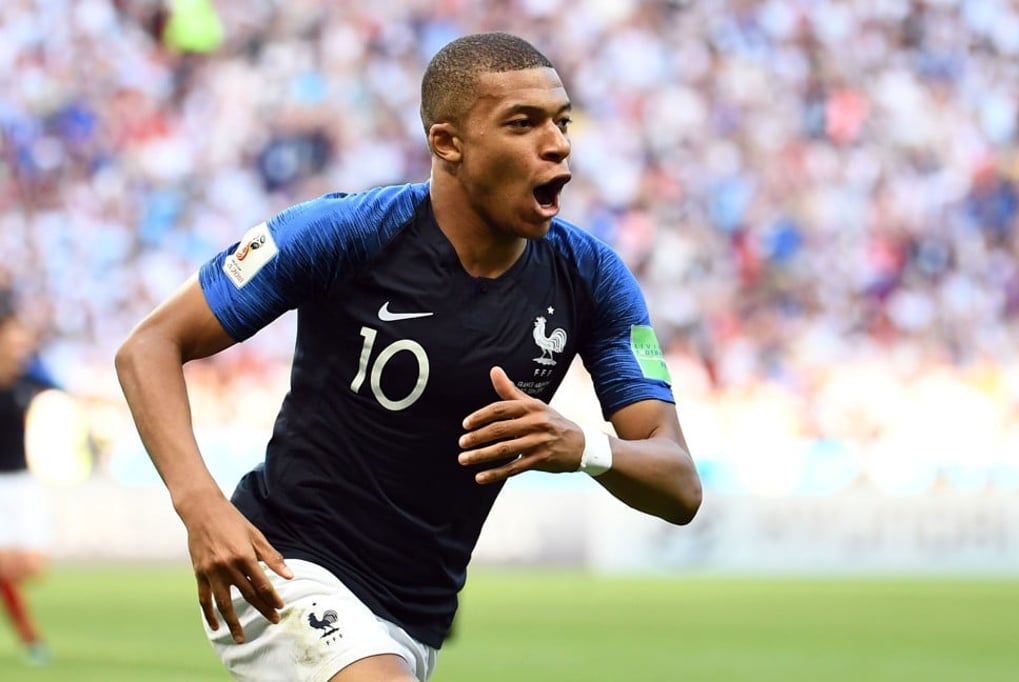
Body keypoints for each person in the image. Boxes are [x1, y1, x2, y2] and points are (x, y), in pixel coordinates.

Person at [115, 31, 702, 682]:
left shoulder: (591, 279)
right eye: (523, 123)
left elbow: (679, 483)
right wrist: (201, 507)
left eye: (561, 122)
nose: (558, 143)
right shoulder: (346, 233)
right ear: (448, 142)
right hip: (285, 565)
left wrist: (583, 447)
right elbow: (149, 346)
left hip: (416, 617)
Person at [0, 294, 53, 666]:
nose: (22, 341)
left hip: (23, 482)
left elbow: (63, 390)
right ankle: (30, 636)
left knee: (33, 567)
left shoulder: (28, 379)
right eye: (14, 334)